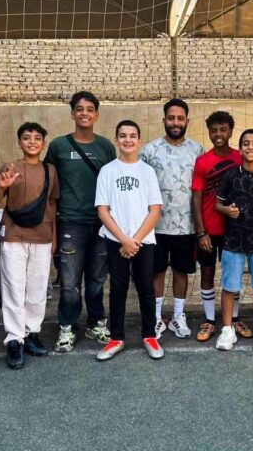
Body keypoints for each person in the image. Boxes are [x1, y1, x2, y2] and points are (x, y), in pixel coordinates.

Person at [44, 91, 117, 352]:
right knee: (70, 282)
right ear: (72, 114)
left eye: (89, 109)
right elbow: (48, 182)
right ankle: (67, 327)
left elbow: (113, 185)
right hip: (70, 222)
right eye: (79, 109)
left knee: (97, 280)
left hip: (101, 223)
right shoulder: (59, 146)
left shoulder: (106, 147)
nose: (84, 113)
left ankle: (96, 323)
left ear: (96, 115)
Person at [0, 122, 59, 369]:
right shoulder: (10, 167)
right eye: (27, 137)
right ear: (19, 142)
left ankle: (32, 333)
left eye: (37, 138)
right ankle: (14, 339)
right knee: (14, 287)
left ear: (43, 143)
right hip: (14, 236)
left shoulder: (50, 170)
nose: (32, 142)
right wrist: (2, 187)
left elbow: (52, 205)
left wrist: (54, 236)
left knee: (37, 289)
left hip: (42, 236)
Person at [95, 120, 164, 361]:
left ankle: (149, 335)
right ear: (116, 140)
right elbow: (102, 210)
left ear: (139, 141)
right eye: (123, 135)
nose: (128, 140)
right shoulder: (108, 171)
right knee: (117, 288)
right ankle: (116, 338)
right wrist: (123, 239)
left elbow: (155, 209)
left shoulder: (147, 171)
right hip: (116, 239)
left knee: (146, 287)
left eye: (132, 135)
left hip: (143, 240)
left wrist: (134, 240)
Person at [140, 98, 204, 340]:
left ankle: (178, 316)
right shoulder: (149, 151)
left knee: (181, 271)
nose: (175, 122)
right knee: (156, 272)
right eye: (171, 118)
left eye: (180, 118)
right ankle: (156, 317)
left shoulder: (197, 150)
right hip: (155, 226)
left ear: (187, 121)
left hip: (186, 226)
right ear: (164, 120)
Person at [215, 129, 253, 351]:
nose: (250, 147)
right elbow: (218, 204)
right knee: (230, 286)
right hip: (233, 242)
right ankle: (227, 330)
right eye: (246, 143)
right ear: (240, 149)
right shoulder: (231, 176)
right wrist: (227, 210)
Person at [192, 111, 251, 341]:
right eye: (214, 130)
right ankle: (209, 320)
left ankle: (234, 319)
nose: (218, 134)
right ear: (209, 132)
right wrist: (201, 232)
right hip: (209, 230)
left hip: (233, 229)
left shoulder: (240, 158)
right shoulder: (202, 161)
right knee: (207, 272)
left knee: (233, 275)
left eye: (223, 129)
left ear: (230, 131)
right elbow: (196, 197)